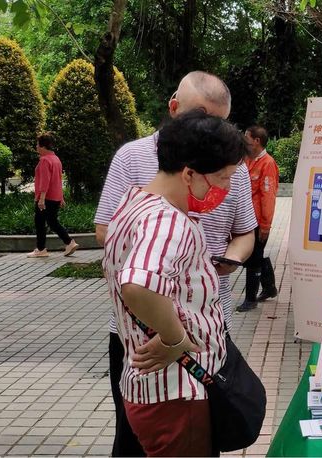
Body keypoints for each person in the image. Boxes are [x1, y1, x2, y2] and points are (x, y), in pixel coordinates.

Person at [94, 71, 256, 457]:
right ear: (189, 173)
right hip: (176, 391)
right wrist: (175, 339)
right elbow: (138, 283)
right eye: (222, 178)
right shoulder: (168, 221)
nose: (226, 189)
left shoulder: (135, 203)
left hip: (154, 387)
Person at [237, 125, 279, 312]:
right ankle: (269, 288)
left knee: (253, 259)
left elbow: (268, 197)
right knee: (254, 256)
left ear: (257, 141)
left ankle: (250, 299)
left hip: (257, 221)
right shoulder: (246, 159)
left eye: (247, 137)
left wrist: (265, 225)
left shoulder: (267, 164)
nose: (244, 140)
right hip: (245, 218)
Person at [27, 132, 78, 258]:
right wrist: (61, 197)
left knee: (40, 222)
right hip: (55, 197)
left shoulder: (44, 160)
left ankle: (41, 249)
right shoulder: (56, 159)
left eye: (37, 145)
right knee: (52, 221)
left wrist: (41, 199)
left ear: (43, 146)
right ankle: (69, 242)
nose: (36, 147)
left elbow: (45, 181)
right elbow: (58, 180)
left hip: (46, 198)